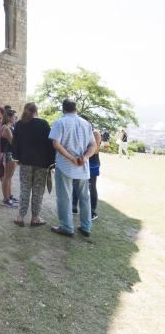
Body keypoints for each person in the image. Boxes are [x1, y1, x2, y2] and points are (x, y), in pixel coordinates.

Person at [49, 99, 97, 237]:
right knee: (84, 197)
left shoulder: (60, 122)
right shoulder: (86, 124)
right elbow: (93, 145)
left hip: (65, 166)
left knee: (64, 197)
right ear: (76, 109)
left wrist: (71, 159)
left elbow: (56, 144)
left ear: (63, 109)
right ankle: (86, 227)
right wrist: (86, 157)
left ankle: (66, 227)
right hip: (83, 166)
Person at [11, 103, 54, 227]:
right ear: (36, 111)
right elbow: (50, 145)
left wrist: (16, 158)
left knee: (25, 188)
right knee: (38, 190)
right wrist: (51, 163)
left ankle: (20, 217)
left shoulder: (19, 124)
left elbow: (15, 143)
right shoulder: (44, 124)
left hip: (25, 162)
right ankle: (35, 218)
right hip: (41, 163)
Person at [73, 116, 101, 220]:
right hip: (81, 161)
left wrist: (85, 152)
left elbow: (96, 150)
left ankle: (93, 211)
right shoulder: (79, 131)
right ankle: (73, 207)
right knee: (75, 183)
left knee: (91, 186)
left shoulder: (95, 133)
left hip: (92, 163)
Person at [0, 109, 19, 207]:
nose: (16, 118)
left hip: (11, 153)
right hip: (10, 154)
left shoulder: (10, 127)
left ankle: (9, 196)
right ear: (9, 117)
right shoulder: (6, 128)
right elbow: (13, 143)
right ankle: (5, 199)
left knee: (9, 176)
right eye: (14, 117)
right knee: (7, 176)